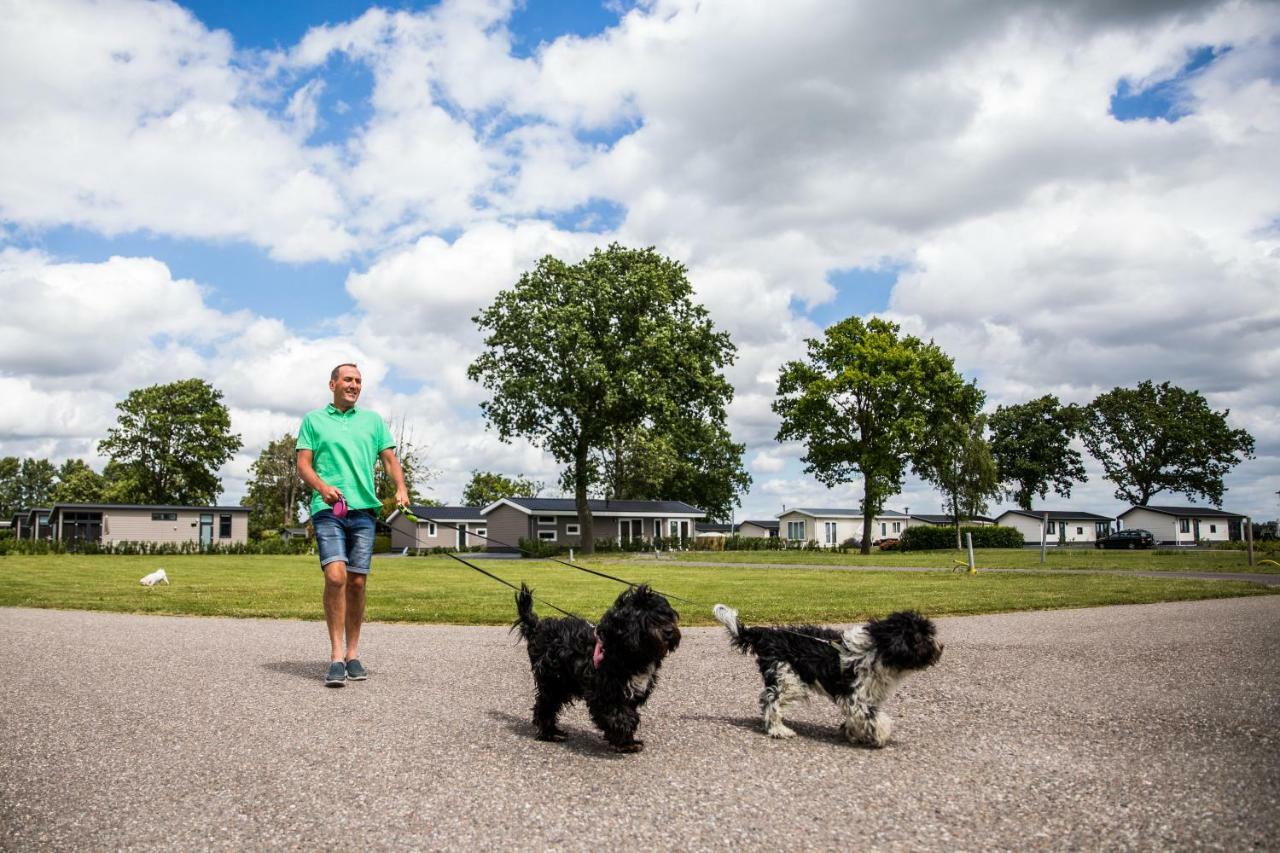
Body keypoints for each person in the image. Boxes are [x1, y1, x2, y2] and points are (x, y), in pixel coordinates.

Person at [297, 363, 409, 687]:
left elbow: (390, 460)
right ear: (332, 383)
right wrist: (321, 487)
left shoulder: (372, 421)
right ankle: (334, 657)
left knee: (357, 582)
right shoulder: (313, 421)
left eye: (359, 381)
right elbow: (303, 464)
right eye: (348, 379)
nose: (354, 385)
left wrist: (400, 488)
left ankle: (353, 654)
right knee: (336, 577)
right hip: (329, 509)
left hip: (363, 512)